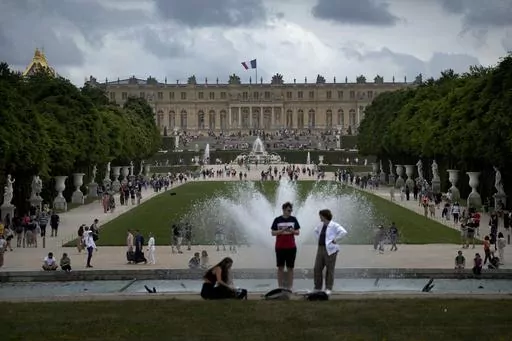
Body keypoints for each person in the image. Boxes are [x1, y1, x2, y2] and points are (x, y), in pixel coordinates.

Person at [313, 209, 347, 295]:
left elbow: (343, 232)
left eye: (320, 216)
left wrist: (335, 239)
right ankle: (317, 287)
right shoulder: (321, 225)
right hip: (320, 248)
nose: (319, 217)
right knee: (317, 268)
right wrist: (319, 239)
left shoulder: (334, 225)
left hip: (331, 250)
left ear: (324, 216)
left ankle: (328, 288)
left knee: (329, 269)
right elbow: (315, 231)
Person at [271, 202, 301, 290]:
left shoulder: (294, 219)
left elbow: (298, 232)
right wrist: (281, 231)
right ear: (283, 210)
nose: (290, 212)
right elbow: (273, 233)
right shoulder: (277, 220)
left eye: (291, 210)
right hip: (280, 247)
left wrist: (292, 231)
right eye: (288, 210)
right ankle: (280, 287)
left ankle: (290, 287)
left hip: (291, 247)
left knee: (290, 268)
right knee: (280, 267)